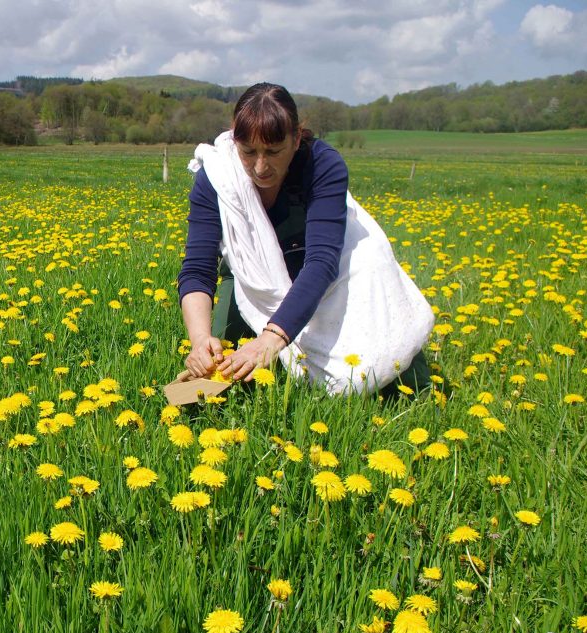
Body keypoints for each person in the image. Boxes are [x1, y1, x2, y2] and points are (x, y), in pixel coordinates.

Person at [177, 82, 430, 398]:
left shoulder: (322, 165)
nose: (260, 167)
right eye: (248, 152)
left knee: (388, 374)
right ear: (234, 139)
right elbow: (197, 269)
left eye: (273, 152)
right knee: (216, 372)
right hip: (251, 276)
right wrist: (200, 340)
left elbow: (322, 263)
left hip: (334, 268)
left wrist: (271, 339)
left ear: (296, 139)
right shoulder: (216, 176)